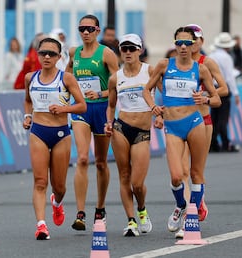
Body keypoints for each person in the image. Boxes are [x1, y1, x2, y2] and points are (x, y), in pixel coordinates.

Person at [143, 26, 221, 237]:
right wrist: (154, 109)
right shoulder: (164, 65)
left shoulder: (201, 69)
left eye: (187, 43)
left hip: (195, 122)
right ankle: (181, 206)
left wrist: (205, 99)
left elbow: (217, 98)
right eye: (179, 43)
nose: (184, 47)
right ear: (174, 44)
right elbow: (146, 90)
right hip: (173, 126)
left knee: (196, 174)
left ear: (194, 44)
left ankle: (191, 218)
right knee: (177, 176)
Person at [22, 37, 86, 240]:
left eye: (51, 53)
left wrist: (64, 108)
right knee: (40, 181)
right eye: (43, 53)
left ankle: (57, 203)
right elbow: (27, 100)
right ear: (38, 55)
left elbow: (82, 105)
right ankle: (41, 225)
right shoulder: (30, 77)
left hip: (60, 135)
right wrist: (28, 116)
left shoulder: (66, 78)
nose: (47, 57)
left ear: (60, 57)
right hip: (38, 132)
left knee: (59, 186)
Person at [176, 24, 230, 238]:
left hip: (202, 120)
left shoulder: (207, 63)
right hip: (179, 120)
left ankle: (197, 206)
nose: (189, 44)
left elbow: (224, 89)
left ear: (201, 42)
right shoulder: (175, 62)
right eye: (185, 41)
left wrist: (207, 94)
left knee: (196, 170)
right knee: (180, 172)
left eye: (194, 40)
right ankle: (190, 212)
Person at [66, 14, 119, 231]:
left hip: (102, 109)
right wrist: (66, 92)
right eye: (82, 29)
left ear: (97, 30)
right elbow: (67, 73)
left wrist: (101, 93)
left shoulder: (106, 53)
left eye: (89, 29)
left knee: (100, 162)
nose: (85, 32)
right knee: (81, 158)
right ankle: (80, 213)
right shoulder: (73, 52)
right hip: (82, 109)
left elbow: (119, 83)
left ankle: (100, 207)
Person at [105, 34, 157, 237]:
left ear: (140, 50)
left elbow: (163, 92)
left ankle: (142, 209)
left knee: (137, 182)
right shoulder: (115, 77)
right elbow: (111, 106)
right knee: (124, 176)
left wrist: (160, 113)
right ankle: (131, 220)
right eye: (124, 49)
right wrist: (109, 123)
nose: (127, 52)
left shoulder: (150, 70)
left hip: (142, 131)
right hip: (121, 128)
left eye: (131, 49)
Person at [209, 32, 240, 152]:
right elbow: (229, 77)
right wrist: (235, 92)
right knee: (222, 118)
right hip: (223, 88)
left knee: (214, 117)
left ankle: (215, 142)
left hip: (213, 88)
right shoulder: (226, 57)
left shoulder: (212, 56)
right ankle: (222, 142)